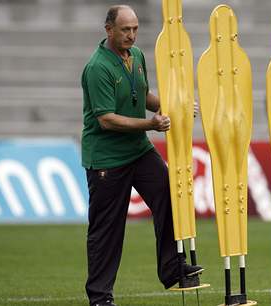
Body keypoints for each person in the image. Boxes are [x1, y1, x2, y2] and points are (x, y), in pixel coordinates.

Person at [81, 5, 202, 306]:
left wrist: (175, 105)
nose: (132, 35)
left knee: (169, 194)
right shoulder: (97, 67)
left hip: (138, 149)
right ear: (108, 29)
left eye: (135, 29)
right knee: (107, 230)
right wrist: (151, 124)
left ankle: (172, 270)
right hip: (107, 159)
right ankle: (100, 297)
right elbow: (106, 119)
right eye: (125, 29)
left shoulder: (137, 57)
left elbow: (143, 94)